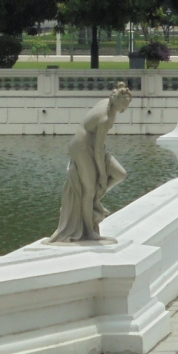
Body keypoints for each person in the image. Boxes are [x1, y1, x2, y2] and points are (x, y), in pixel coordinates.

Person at [50, 83, 132, 243]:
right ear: (117, 101)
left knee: (120, 174)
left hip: (94, 145)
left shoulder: (109, 104)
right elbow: (98, 150)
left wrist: (102, 179)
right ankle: (89, 231)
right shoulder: (105, 118)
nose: (125, 109)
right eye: (124, 106)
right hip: (82, 147)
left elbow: (99, 147)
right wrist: (102, 175)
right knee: (89, 189)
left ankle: (95, 200)